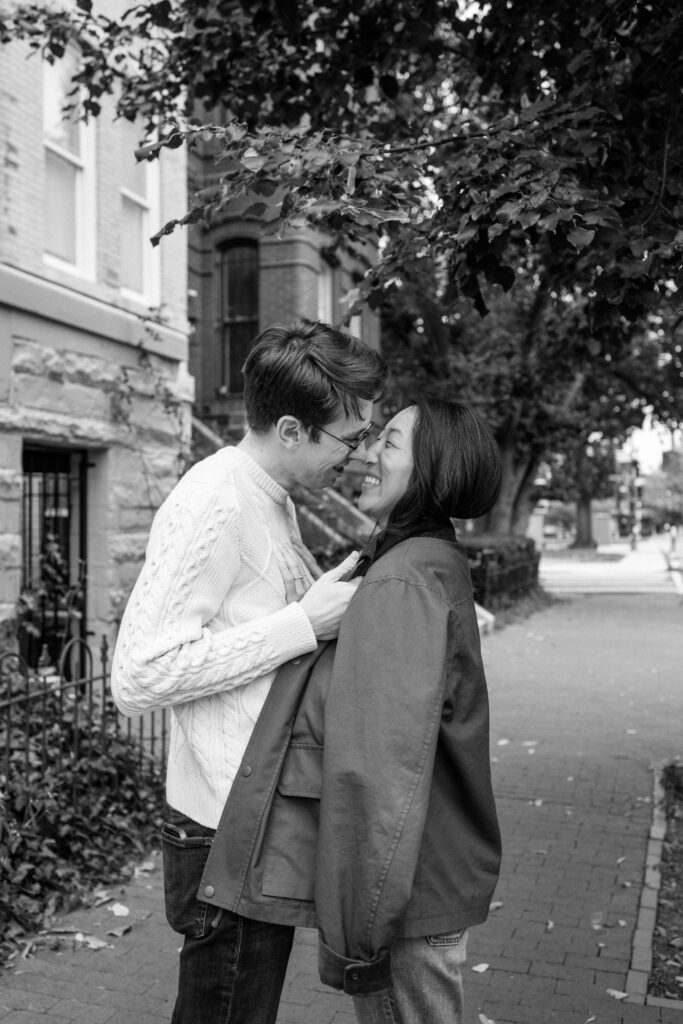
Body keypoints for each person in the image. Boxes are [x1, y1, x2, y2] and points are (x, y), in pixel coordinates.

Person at [110, 317, 387, 1024]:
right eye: (350, 438)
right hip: (224, 828)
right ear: (291, 430)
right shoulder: (216, 498)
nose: (358, 455)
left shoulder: (270, 498)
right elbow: (139, 674)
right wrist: (301, 624)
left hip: (254, 814)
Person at [198, 396, 503, 1024]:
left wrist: (357, 936)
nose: (364, 454)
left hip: (405, 898)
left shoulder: (403, 580)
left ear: (433, 469)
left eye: (388, 442)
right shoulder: (419, 561)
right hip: (421, 880)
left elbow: (377, 777)